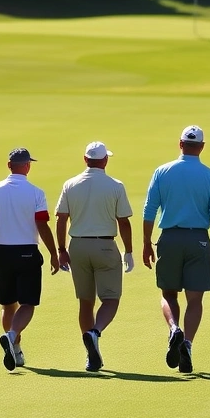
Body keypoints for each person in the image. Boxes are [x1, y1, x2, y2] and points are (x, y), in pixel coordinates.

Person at [142, 125, 210, 373]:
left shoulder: (162, 171)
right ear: (201, 147)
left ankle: (173, 329)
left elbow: (149, 210)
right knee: (195, 299)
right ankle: (187, 344)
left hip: (169, 237)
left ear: (180, 144)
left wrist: (147, 242)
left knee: (169, 293)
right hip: (198, 239)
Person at [55, 141, 135, 372]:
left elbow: (61, 219)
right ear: (105, 160)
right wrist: (128, 251)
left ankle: (91, 356)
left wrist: (61, 250)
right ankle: (95, 332)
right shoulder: (115, 186)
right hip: (105, 246)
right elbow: (123, 221)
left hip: (77, 246)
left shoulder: (70, 184)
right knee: (110, 300)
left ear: (85, 159)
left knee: (85, 302)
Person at [0, 147, 61, 372]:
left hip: (1, 253)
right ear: (28, 166)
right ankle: (12, 336)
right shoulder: (36, 192)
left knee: (8, 304)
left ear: (9, 166)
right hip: (26, 251)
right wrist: (54, 253)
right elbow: (42, 224)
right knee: (28, 303)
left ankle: (15, 349)